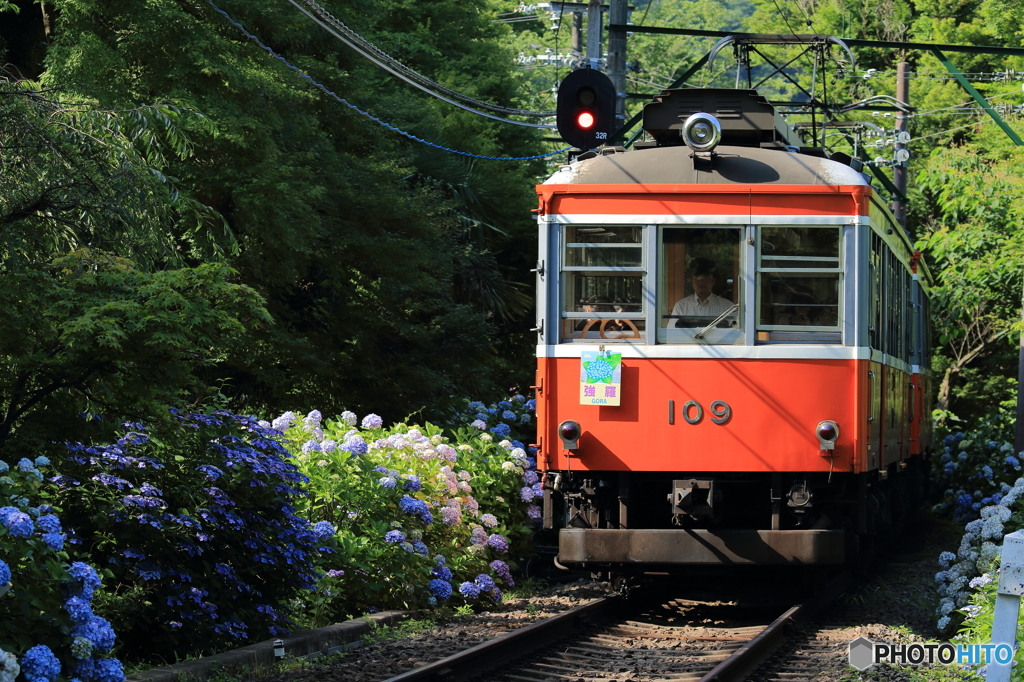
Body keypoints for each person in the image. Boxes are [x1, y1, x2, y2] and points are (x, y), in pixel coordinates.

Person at [670, 260, 734, 327]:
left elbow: (737, 334)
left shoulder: (728, 307)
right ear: (692, 281)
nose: (701, 283)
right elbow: (671, 334)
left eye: (706, 279)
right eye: (697, 279)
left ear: (713, 281)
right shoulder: (681, 306)